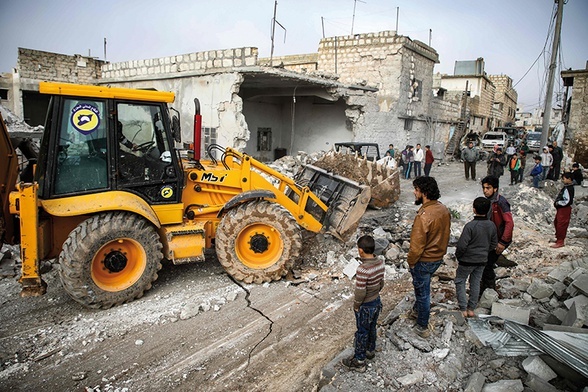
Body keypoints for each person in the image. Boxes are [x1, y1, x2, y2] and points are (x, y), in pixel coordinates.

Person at [407, 176, 451, 338]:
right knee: (423, 288)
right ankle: (417, 311)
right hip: (437, 257)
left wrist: (411, 262)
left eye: (416, 190)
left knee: (423, 293)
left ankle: (422, 326)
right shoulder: (443, 209)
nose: (414, 192)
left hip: (424, 260)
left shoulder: (423, 215)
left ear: (424, 192)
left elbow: (416, 247)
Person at [341, 235, 384, 372]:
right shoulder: (380, 262)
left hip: (366, 305)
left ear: (360, 250)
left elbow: (360, 291)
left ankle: (359, 361)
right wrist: (375, 293)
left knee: (362, 332)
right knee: (372, 328)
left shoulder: (363, 269)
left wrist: (357, 305)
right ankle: (370, 350)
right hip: (377, 301)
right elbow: (381, 282)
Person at [455, 197, 498, 318]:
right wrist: (484, 251)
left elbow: (462, 245)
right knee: (475, 282)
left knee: (460, 281)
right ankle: (471, 309)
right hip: (482, 260)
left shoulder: (470, 226)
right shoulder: (491, 226)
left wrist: (459, 255)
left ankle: (463, 308)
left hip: (467, 260)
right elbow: (494, 243)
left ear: (474, 210)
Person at [480, 176, 514, 295]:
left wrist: (503, 242)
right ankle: (485, 290)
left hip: (499, 239)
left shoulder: (501, 202)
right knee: (484, 264)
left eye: (488, 188)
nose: (485, 191)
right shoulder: (488, 202)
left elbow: (509, 223)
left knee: (487, 264)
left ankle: (490, 291)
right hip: (490, 239)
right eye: (484, 188)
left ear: (495, 189)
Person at [551, 172, 574, 248]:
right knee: (557, 222)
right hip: (561, 209)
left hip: (564, 209)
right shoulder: (567, 187)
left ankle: (560, 241)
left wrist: (558, 203)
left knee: (561, 224)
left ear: (569, 179)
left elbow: (567, 200)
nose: (563, 180)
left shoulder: (569, 188)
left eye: (564, 179)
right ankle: (558, 238)